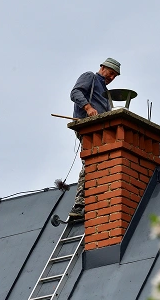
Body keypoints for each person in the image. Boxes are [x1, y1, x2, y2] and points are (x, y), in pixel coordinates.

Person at [68, 58, 121, 218]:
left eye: (115, 76)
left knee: (102, 160)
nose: (112, 77)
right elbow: (75, 92)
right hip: (87, 126)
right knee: (91, 160)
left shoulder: (105, 92)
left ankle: (99, 195)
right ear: (103, 68)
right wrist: (88, 107)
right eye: (111, 73)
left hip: (101, 130)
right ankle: (79, 204)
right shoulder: (90, 76)